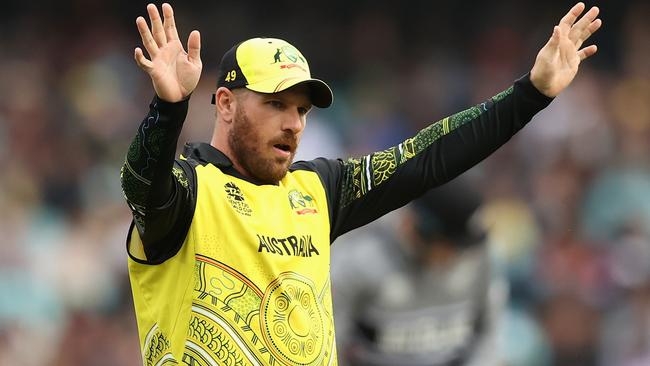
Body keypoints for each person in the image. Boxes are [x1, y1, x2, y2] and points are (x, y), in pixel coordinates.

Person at [120, 2, 601, 365]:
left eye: (301, 110)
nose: (293, 124)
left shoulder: (317, 190)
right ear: (225, 104)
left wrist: (531, 94)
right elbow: (141, 183)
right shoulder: (185, 192)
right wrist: (168, 109)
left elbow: (426, 158)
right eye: (275, 104)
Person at [331, 182, 502, 366]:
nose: (460, 256)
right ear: (420, 228)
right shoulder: (359, 260)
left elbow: (488, 336)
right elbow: (329, 344)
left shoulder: (478, 255)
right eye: (452, 245)